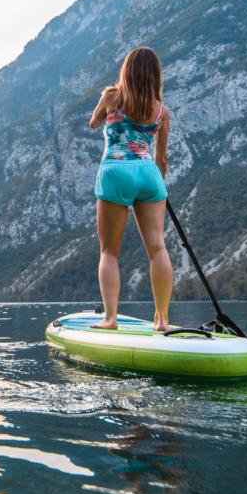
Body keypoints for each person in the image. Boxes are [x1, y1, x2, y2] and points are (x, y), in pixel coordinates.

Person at [87, 45, 172, 331]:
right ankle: (162, 320)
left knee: (109, 252)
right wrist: (157, 179)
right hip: (148, 174)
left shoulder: (112, 96)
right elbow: (161, 159)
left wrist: (105, 105)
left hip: (115, 170)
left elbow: (93, 122)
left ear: (127, 71)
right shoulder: (161, 111)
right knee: (158, 248)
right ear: (154, 76)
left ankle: (110, 319)